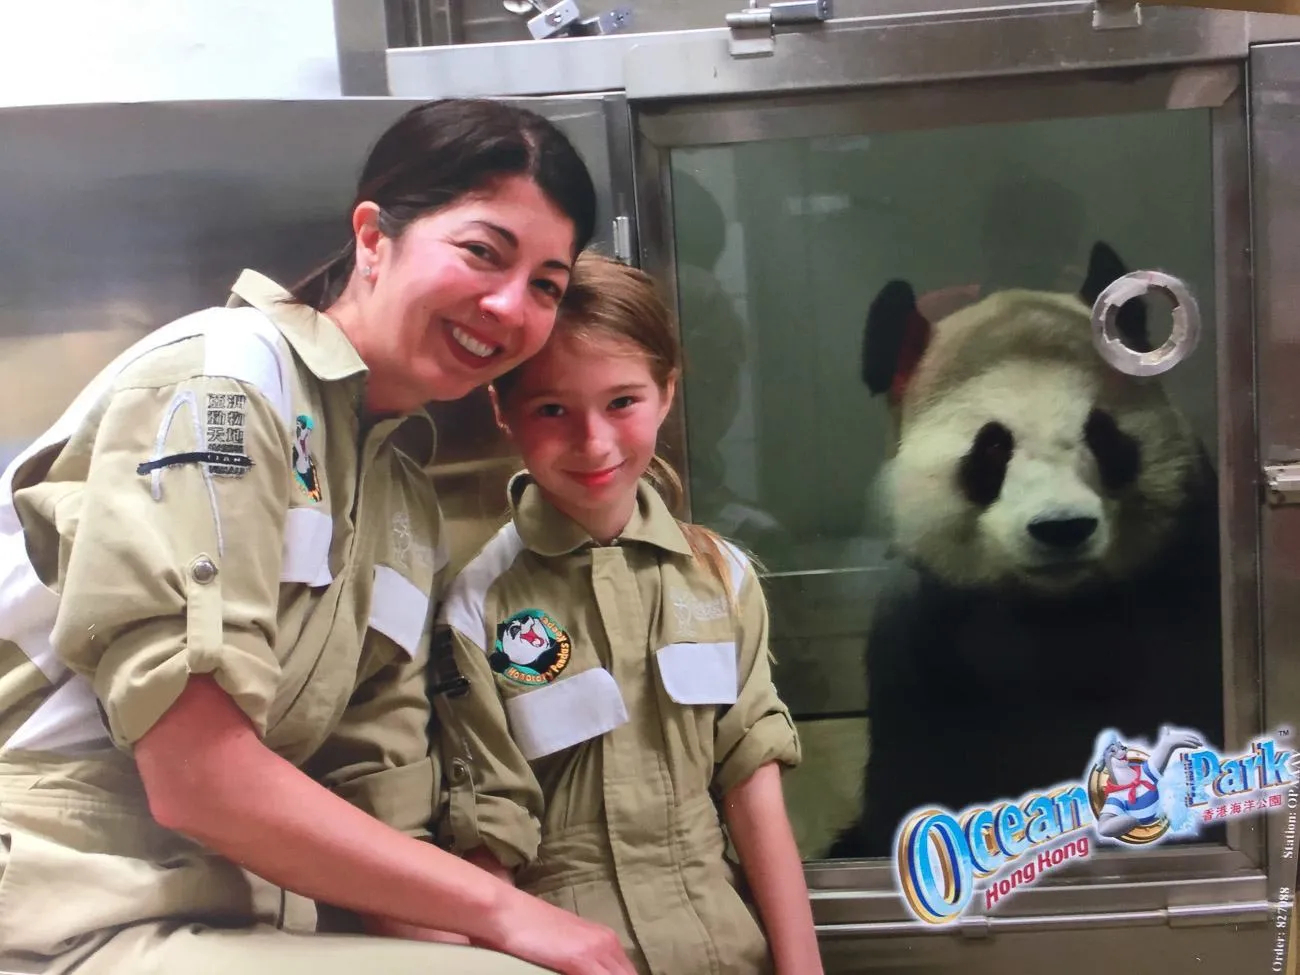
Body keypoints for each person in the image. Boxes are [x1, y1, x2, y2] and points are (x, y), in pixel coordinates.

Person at [0, 98, 636, 975]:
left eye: (545, 286)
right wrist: (507, 916)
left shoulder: (402, 502)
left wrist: (504, 933)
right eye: (483, 252)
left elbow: (378, 795)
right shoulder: (225, 384)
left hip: (225, 905)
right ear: (374, 236)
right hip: (63, 900)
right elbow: (197, 777)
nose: (507, 305)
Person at [429, 252, 824, 975]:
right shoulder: (476, 606)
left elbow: (753, 789)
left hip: (729, 953)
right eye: (553, 409)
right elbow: (488, 843)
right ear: (503, 411)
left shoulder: (721, 577)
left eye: (623, 402)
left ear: (667, 393)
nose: (594, 442)